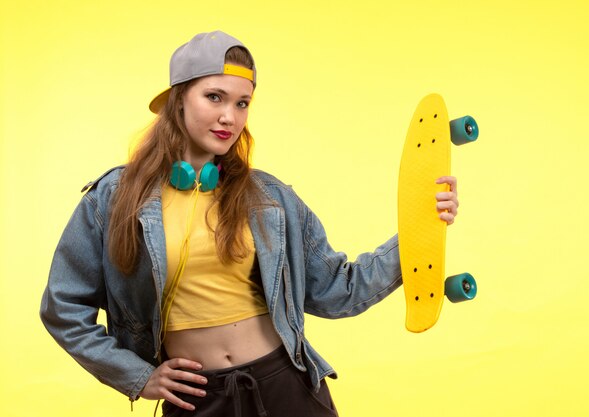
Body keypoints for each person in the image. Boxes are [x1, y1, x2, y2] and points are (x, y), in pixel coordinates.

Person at [40, 30, 459, 417]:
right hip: (196, 401)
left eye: (242, 103)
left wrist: (423, 230)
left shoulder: (268, 198)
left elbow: (337, 291)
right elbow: (63, 307)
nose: (230, 117)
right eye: (215, 97)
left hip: (286, 388)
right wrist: (138, 376)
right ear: (179, 99)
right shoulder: (115, 198)